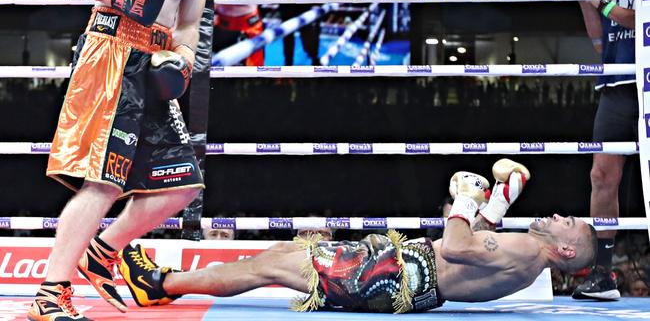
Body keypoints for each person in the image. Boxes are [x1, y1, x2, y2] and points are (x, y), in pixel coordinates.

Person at [28, 0, 243, 321]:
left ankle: (102, 250)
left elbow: (189, 22)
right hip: (110, 53)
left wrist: (183, 58)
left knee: (183, 185)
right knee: (102, 184)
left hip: (156, 60)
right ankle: (49, 295)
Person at [120, 160, 598, 314]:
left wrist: (468, 200)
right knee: (285, 252)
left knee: (265, 267)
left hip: (388, 274)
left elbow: (456, 247)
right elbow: (475, 252)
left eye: (568, 223)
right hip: (398, 273)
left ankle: (161, 285)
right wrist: (496, 205)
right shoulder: (525, 258)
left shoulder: (525, 251)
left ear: (567, 249)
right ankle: (171, 282)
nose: (559, 215)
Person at [565, 0, 650, 301]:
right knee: (602, 176)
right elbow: (602, 40)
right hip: (616, 85)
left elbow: (638, 20)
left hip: (648, 84)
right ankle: (603, 275)